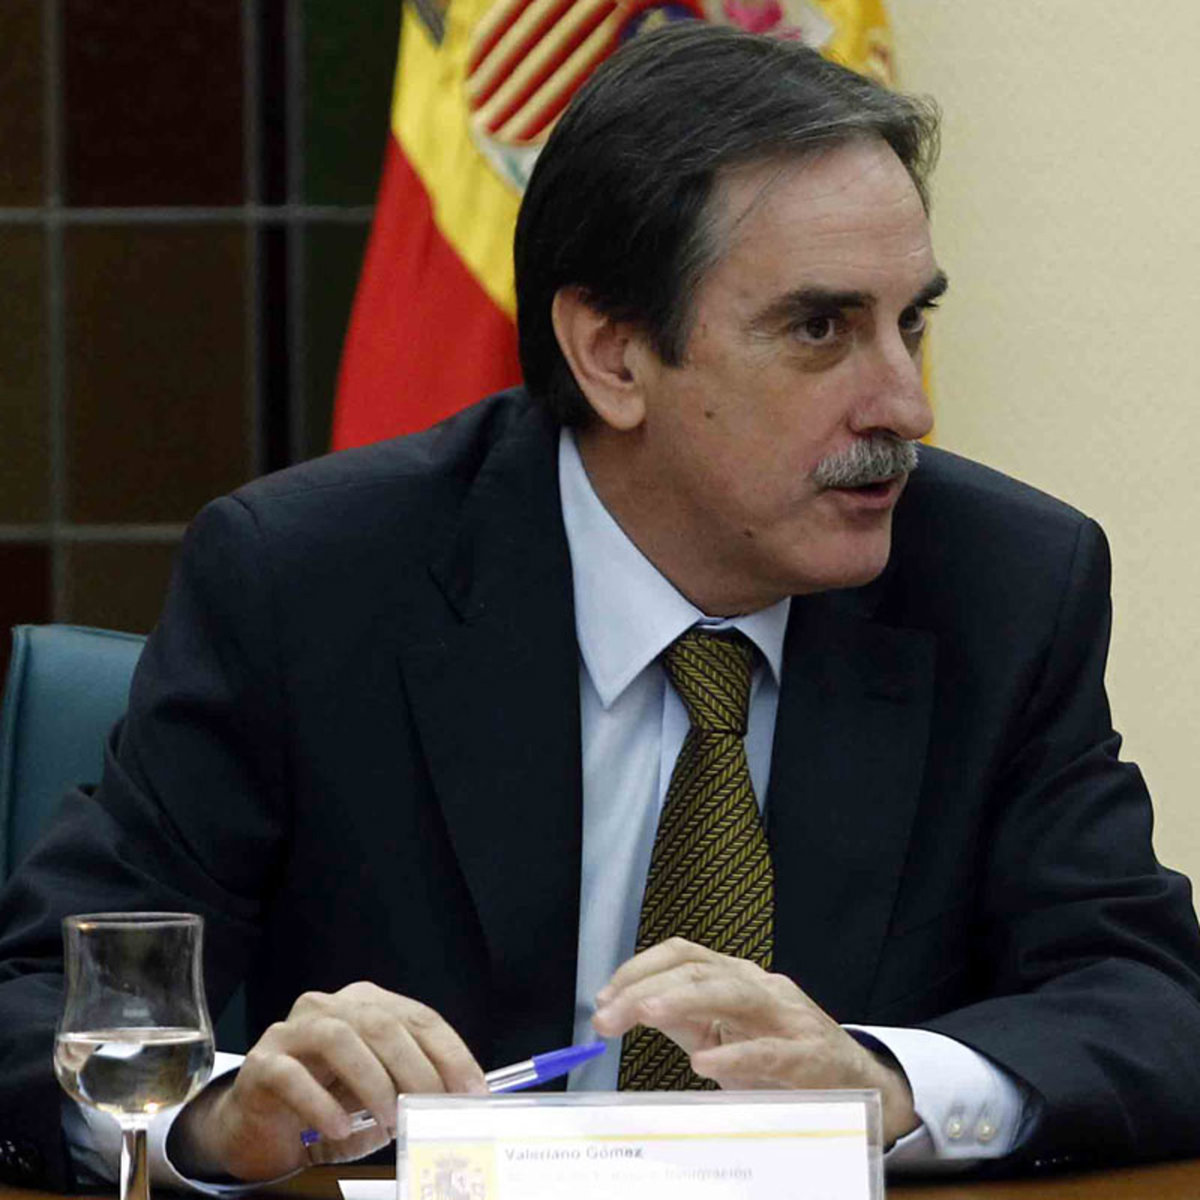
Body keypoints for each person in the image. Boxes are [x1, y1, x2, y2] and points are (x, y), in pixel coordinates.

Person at [3, 21, 1200, 1193]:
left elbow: (1154, 1001)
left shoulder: (1000, 586)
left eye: (912, 321)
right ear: (613, 355)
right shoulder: (313, 584)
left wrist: (887, 1085)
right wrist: (221, 1117)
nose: (906, 404)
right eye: (821, 328)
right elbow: (42, 1004)